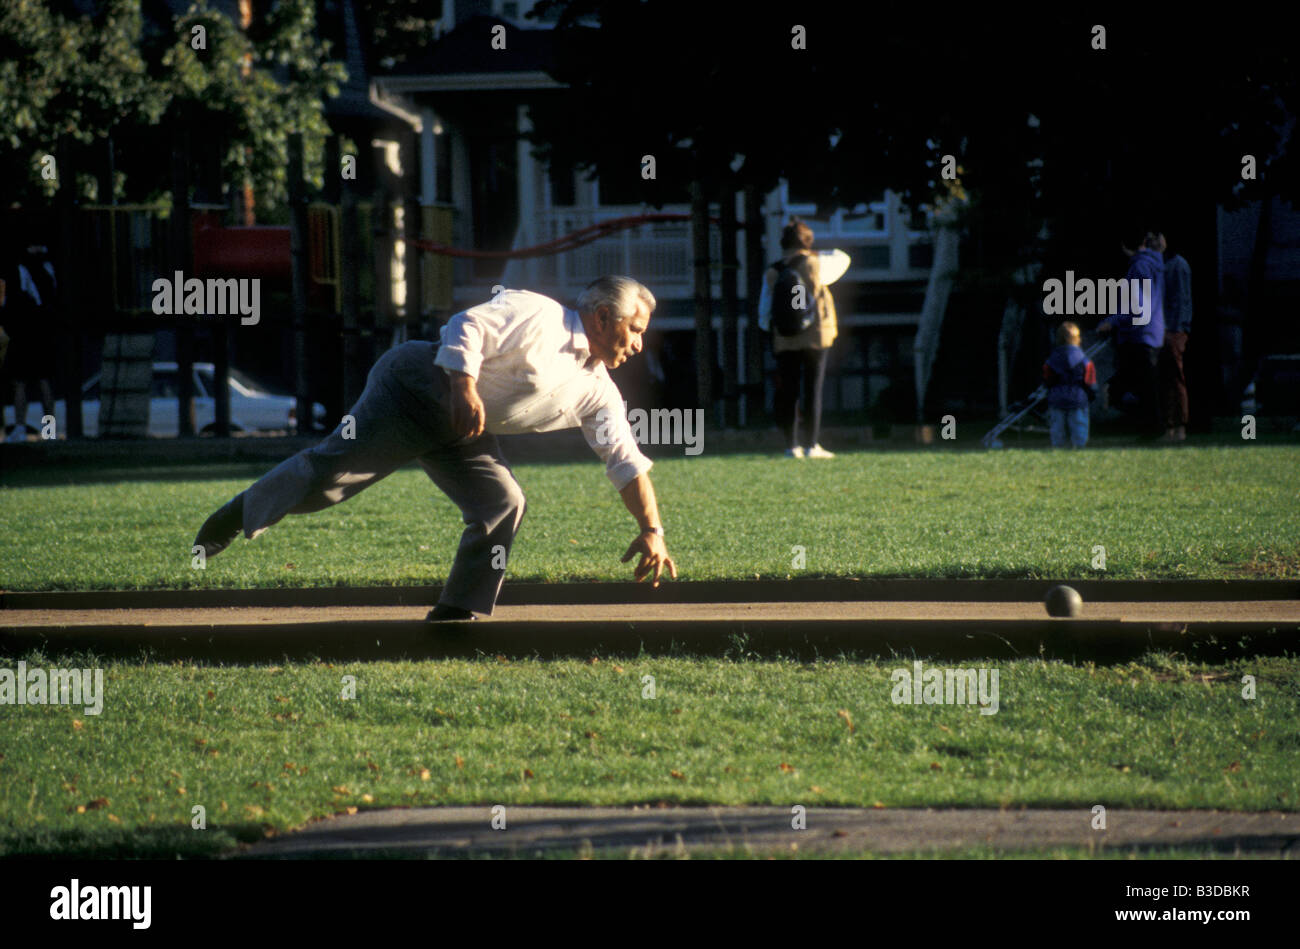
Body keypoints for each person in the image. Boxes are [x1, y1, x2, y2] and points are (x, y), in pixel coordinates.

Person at [193, 276, 677, 621]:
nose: (638, 345)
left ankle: (457, 610)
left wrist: (652, 529)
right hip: (417, 386)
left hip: (463, 428)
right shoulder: (541, 315)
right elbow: (467, 325)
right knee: (330, 477)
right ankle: (237, 514)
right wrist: (464, 388)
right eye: (636, 330)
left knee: (504, 503)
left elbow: (626, 462)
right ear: (602, 316)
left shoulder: (599, 390)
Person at [758, 217, 849, 459]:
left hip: (784, 337)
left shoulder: (773, 271)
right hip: (816, 335)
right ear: (808, 241)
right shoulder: (816, 263)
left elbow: (764, 308)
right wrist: (812, 252)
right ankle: (812, 445)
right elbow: (842, 257)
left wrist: (771, 331)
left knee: (789, 391)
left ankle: (791, 446)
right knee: (813, 389)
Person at [1098, 227, 1165, 438]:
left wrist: (1112, 321)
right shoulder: (1154, 265)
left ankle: (1151, 427)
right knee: (1144, 385)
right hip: (1152, 332)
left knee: (1129, 387)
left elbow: (1137, 305)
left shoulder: (1139, 268)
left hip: (1139, 334)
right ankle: (1150, 428)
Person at [1154, 232, 1192, 442]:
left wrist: (1174, 330)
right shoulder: (1160, 265)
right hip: (1162, 329)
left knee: (1175, 377)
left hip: (1173, 330)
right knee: (1165, 379)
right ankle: (1168, 426)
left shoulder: (1177, 265)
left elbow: (1181, 300)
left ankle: (1179, 426)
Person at [1042, 321, 1097, 448]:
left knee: (1057, 427)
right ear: (1078, 339)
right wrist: (1092, 394)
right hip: (1078, 398)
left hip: (1056, 398)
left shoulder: (1051, 361)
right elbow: (1090, 382)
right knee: (1079, 427)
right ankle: (1079, 447)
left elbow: (1047, 380)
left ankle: (1058, 447)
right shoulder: (1085, 361)